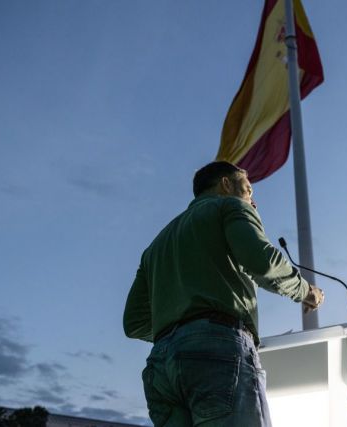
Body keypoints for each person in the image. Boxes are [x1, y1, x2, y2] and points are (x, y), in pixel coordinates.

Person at [123, 161, 324, 426]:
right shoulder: (230, 205)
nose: (253, 199)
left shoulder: (155, 246)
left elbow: (134, 323)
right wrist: (305, 291)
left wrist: (177, 326)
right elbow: (261, 261)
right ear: (226, 184)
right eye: (248, 189)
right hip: (218, 353)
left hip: (161, 366)